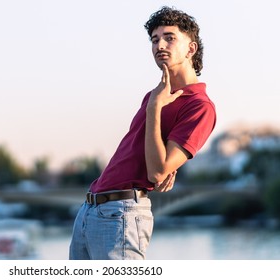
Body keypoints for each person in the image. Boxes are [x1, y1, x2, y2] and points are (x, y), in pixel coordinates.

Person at [69, 6, 216, 260]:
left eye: (170, 37)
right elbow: (147, 151)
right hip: (90, 210)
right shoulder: (155, 96)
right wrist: (155, 106)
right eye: (155, 39)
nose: (160, 45)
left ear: (191, 48)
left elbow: (158, 172)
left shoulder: (199, 106)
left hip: (121, 215)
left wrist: (155, 108)